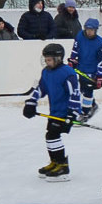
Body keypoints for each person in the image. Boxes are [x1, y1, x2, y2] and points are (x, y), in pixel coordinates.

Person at [24, 42, 81, 181]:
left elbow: (75, 93)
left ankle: (63, 166)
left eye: (49, 59)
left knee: (52, 135)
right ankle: (55, 162)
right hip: (54, 111)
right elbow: (41, 89)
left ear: (58, 58)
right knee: (50, 136)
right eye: (45, 59)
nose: (47, 62)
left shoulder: (67, 73)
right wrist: (31, 103)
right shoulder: (46, 72)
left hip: (65, 112)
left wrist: (72, 113)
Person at [69, 18, 102, 119]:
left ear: (96, 30)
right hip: (81, 69)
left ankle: (85, 113)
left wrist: (100, 75)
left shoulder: (100, 42)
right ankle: (93, 105)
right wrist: (72, 60)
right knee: (83, 89)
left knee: (88, 91)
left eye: (92, 30)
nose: (89, 32)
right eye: (88, 29)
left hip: (93, 72)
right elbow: (75, 49)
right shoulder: (80, 36)